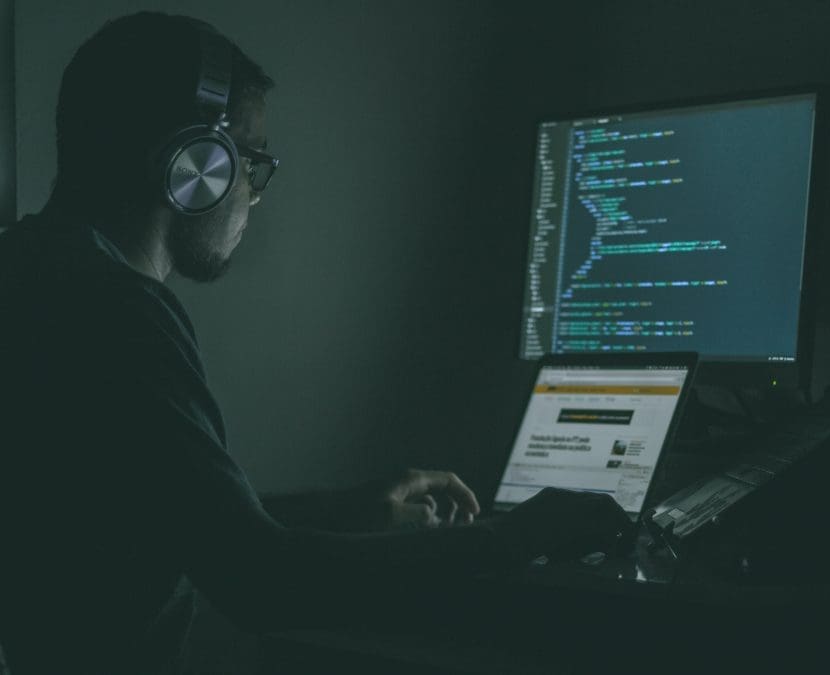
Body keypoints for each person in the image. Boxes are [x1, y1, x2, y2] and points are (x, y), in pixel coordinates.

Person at [0, 13, 631, 675]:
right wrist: (510, 537)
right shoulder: (118, 312)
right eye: (252, 162)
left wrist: (346, 510)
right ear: (197, 165)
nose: (253, 194)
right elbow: (262, 582)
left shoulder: (32, 266)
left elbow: (178, 525)